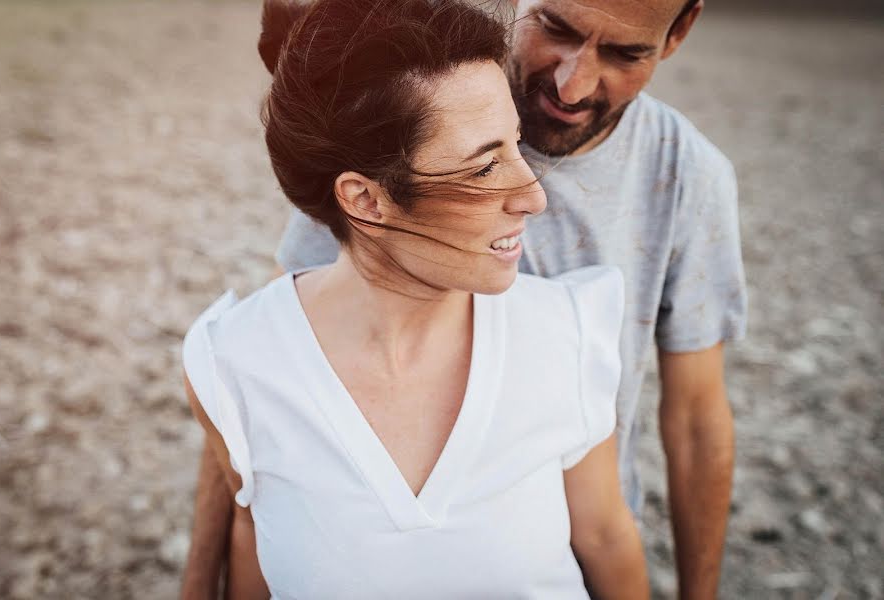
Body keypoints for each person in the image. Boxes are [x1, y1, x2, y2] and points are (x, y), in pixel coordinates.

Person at [182, 0, 748, 597]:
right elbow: (259, 401)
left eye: (624, 52)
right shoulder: (416, 100)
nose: (573, 82)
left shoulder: (683, 178)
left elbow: (693, 422)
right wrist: (198, 583)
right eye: (556, 28)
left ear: (678, 33)